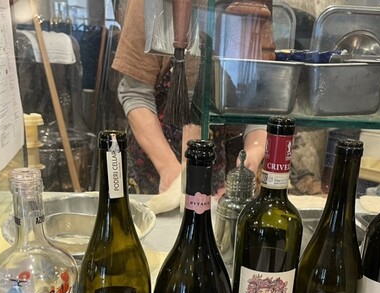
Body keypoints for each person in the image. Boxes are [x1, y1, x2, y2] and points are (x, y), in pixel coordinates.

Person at [111, 0, 266, 195]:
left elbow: (260, 100)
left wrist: (253, 152)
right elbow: (135, 93)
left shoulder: (251, 7)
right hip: (154, 168)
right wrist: (167, 167)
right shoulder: (149, 5)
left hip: (212, 164)